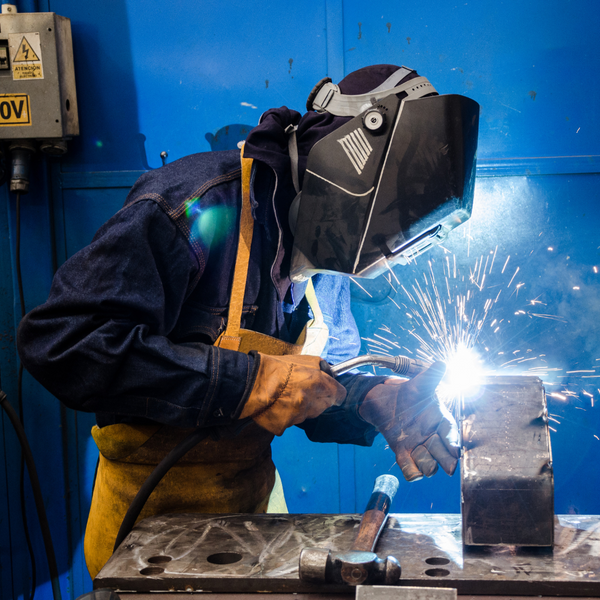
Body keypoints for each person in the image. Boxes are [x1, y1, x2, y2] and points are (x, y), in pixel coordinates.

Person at [16, 64, 461, 578]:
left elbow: (304, 388)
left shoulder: (331, 257)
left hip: (251, 521)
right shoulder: (198, 203)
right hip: (148, 533)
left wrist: (367, 399)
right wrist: (247, 379)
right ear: (352, 162)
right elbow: (64, 342)